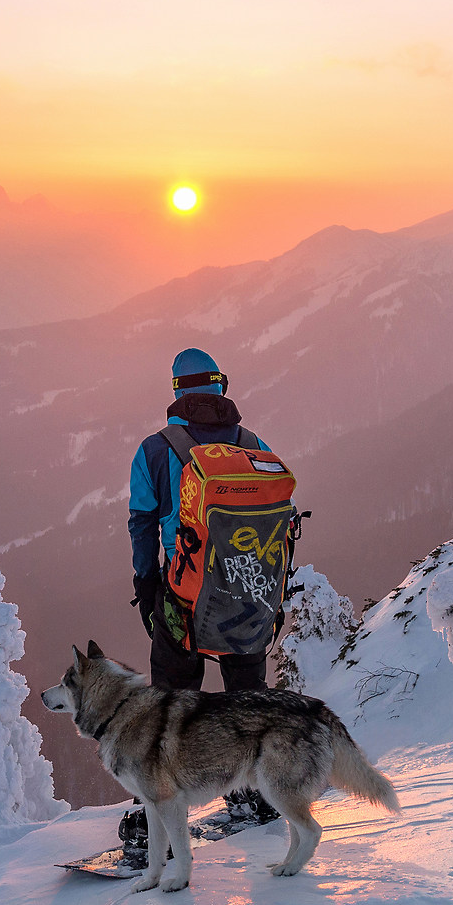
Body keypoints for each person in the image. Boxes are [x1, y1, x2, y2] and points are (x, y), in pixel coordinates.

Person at [123, 347, 279, 841]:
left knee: (171, 702)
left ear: (176, 390)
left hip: (183, 593)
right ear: (220, 385)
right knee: (247, 694)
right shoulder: (253, 444)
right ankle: (256, 792)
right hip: (248, 590)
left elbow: (142, 523)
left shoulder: (156, 449)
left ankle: (158, 817)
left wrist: (146, 584)